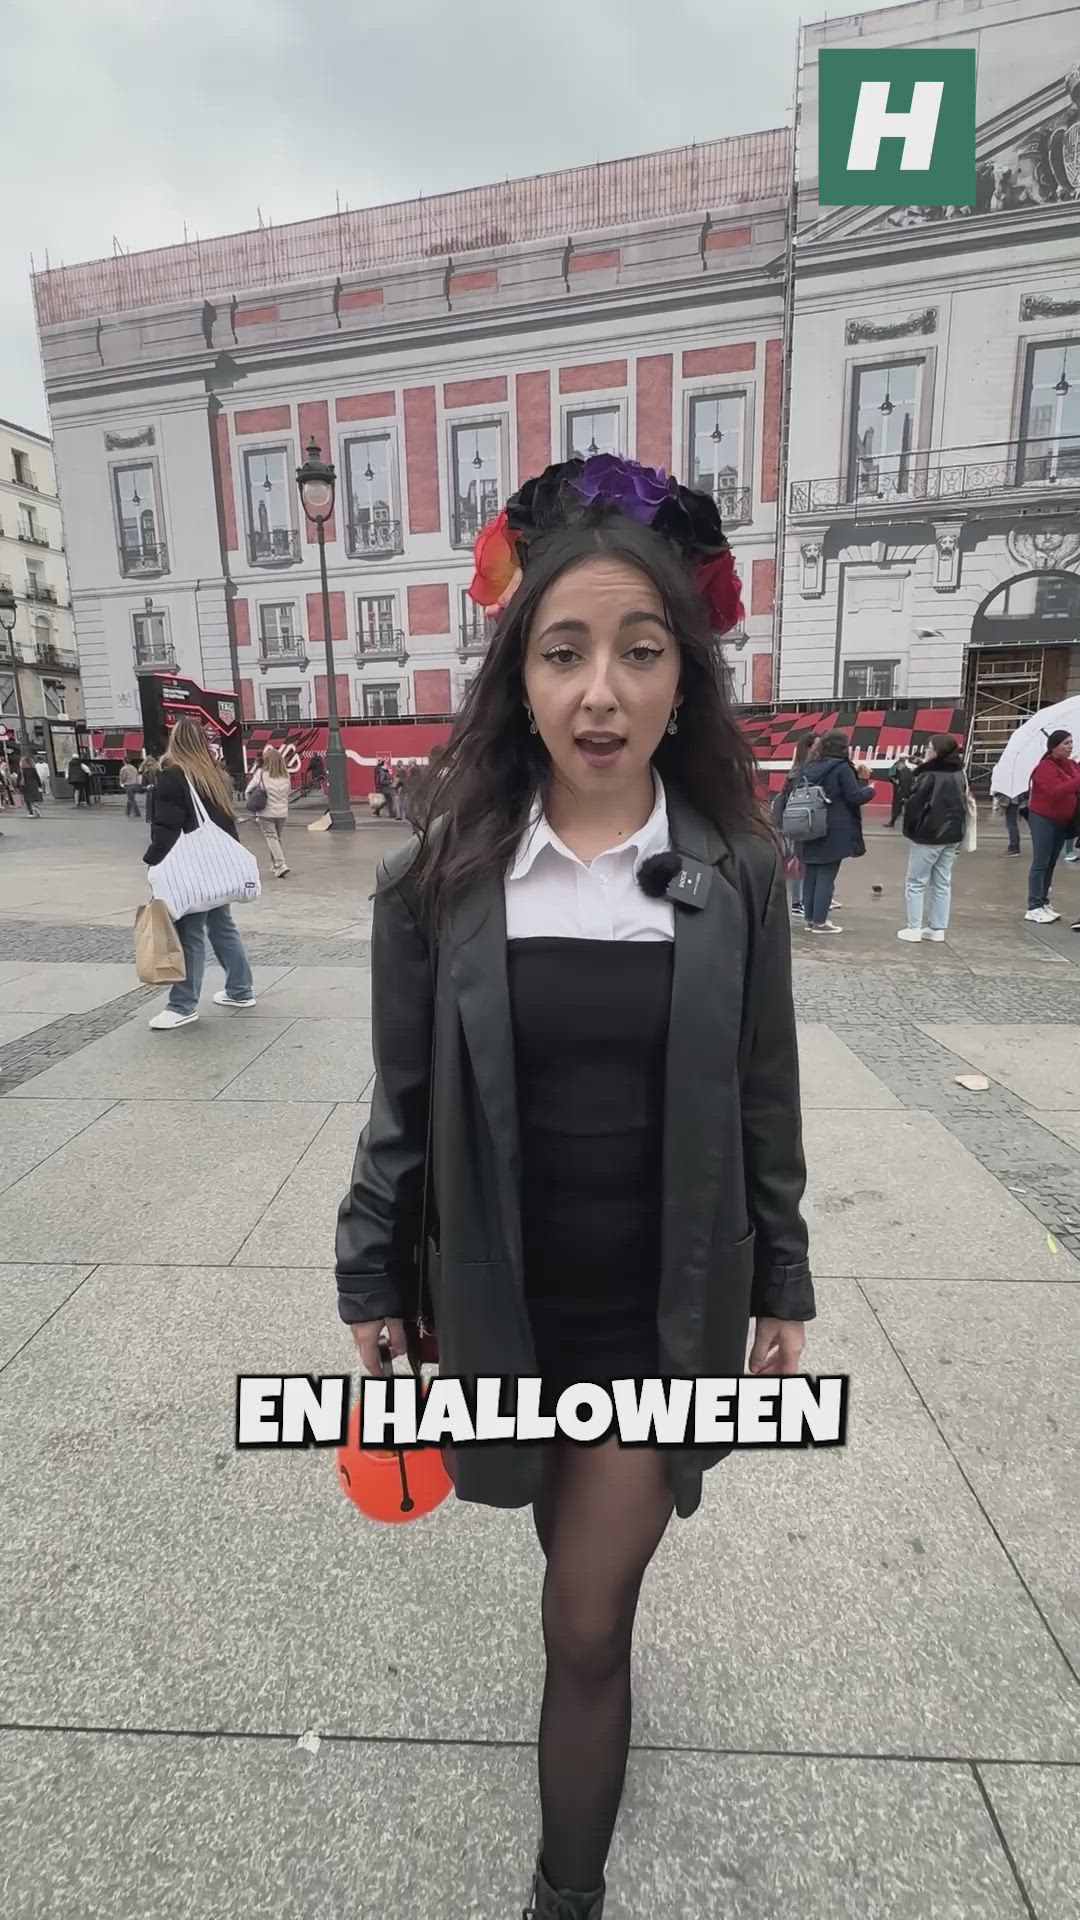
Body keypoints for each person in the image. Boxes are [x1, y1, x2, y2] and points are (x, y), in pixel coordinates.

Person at [335, 456, 813, 1920]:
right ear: (521, 679)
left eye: (640, 652)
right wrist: (371, 1273)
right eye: (565, 653)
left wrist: (783, 1278)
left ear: (685, 678)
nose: (602, 692)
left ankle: (567, 1892)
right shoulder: (442, 880)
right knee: (568, 1565)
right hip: (504, 1305)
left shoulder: (737, 873)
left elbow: (765, 1093)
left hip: (661, 1314)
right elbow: (402, 1105)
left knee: (587, 1619)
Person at [143, 717, 256, 1030]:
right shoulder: (216, 775)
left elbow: (166, 828)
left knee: (189, 933)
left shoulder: (173, 775)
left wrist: (153, 862)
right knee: (222, 927)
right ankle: (240, 989)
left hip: (190, 869)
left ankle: (182, 1005)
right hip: (215, 866)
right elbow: (226, 823)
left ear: (174, 741)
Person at [797, 730, 874, 933]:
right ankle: (820, 922)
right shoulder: (842, 768)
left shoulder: (809, 767)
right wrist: (870, 789)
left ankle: (810, 920)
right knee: (826, 875)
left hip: (809, 824)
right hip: (834, 828)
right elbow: (854, 797)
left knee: (811, 874)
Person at [897, 733, 967, 942]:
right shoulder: (959, 772)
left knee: (916, 882)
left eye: (929, 747)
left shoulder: (929, 774)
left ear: (937, 751)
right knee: (942, 881)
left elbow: (915, 804)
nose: (926, 750)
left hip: (929, 833)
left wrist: (910, 829)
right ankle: (937, 928)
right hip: (953, 833)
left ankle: (914, 927)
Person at [1025, 729, 1080, 925]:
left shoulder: (1071, 765)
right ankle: (1033, 906)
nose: (1070, 746)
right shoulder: (1044, 768)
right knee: (1041, 862)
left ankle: (1043, 901)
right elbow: (1055, 791)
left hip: (1062, 820)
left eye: (1071, 742)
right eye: (1065, 743)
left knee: (1051, 863)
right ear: (1054, 746)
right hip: (1043, 819)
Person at [774, 732, 815, 915]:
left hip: (796, 820)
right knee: (798, 860)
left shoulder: (799, 769)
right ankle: (797, 901)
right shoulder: (800, 771)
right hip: (797, 821)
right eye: (816, 746)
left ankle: (799, 900)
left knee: (798, 860)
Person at [245, 745, 291, 877]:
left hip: (265, 812)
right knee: (276, 838)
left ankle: (281, 864)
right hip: (282, 812)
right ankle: (274, 865)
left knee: (271, 837)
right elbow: (288, 792)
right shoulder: (286, 775)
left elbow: (248, 790)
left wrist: (253, 803)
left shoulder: (260, 774)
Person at [887, 755, 916, 827]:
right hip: (902, 789)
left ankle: (893, 821)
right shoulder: (896, 765)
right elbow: (890, 775)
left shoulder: (907, 769)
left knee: (898, 805)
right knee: (900, 805)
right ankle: (894, 821)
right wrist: (895, 781)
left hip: (903, 789)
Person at [17, 754, 44, 818]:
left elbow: (18, 779)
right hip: (33, 785)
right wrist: (39, 785)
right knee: (34, 798)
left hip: (25, 786)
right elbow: (37, 777)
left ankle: (31, 812)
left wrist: (17, 786)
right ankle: (35, 807)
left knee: (27, 800)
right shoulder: (33, 769)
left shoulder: (21, 770)